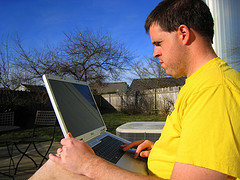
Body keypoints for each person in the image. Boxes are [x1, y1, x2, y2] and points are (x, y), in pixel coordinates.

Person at [30, 0, 240, 179]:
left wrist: (89, 165)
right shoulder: (200, 83)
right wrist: (159, 151)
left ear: (183, 33)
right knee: (63, 163)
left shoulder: (215, 90)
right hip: (152, 168)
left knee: (59, 166)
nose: (154, 54)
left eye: (158, 43)